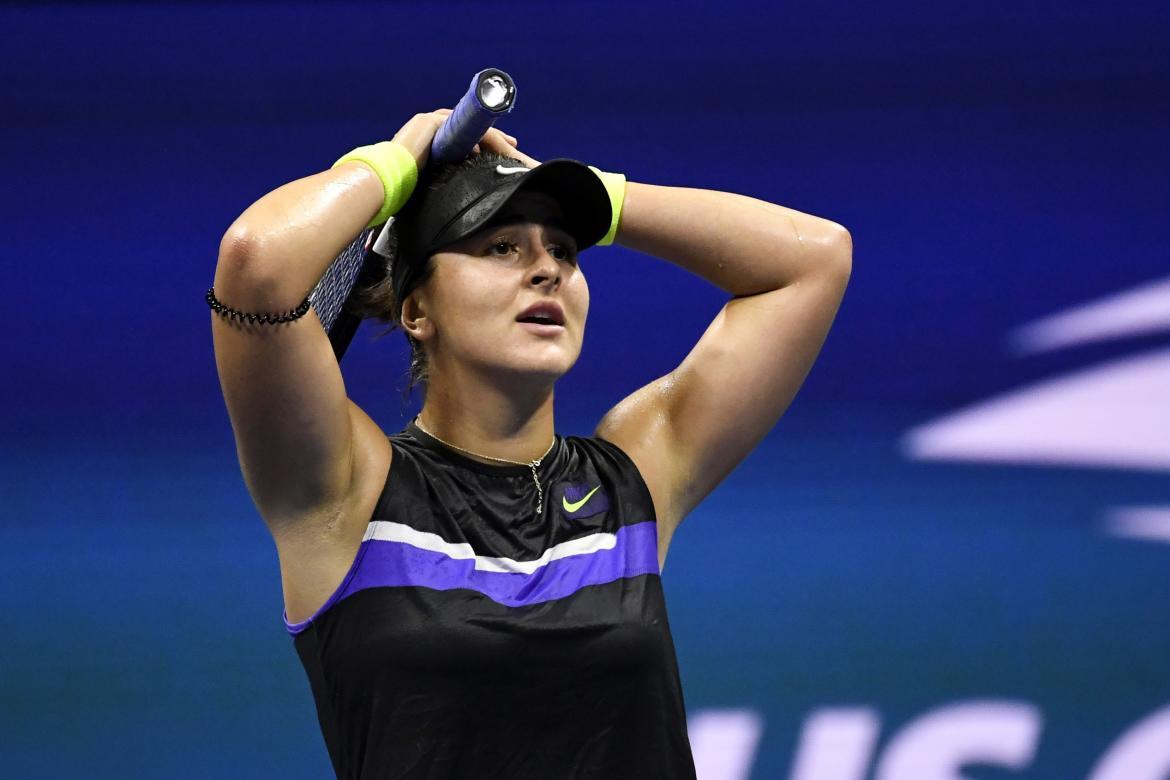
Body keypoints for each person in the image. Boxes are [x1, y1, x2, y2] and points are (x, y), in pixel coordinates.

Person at [209, 107, 851, 779]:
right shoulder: (346, 489)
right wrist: (397, 163)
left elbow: (814, 259)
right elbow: (256, 263)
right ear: (416, 310)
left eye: (565, 250)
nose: (546, 270)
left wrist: (602, 198)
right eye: (500, 246)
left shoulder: (632, 478)